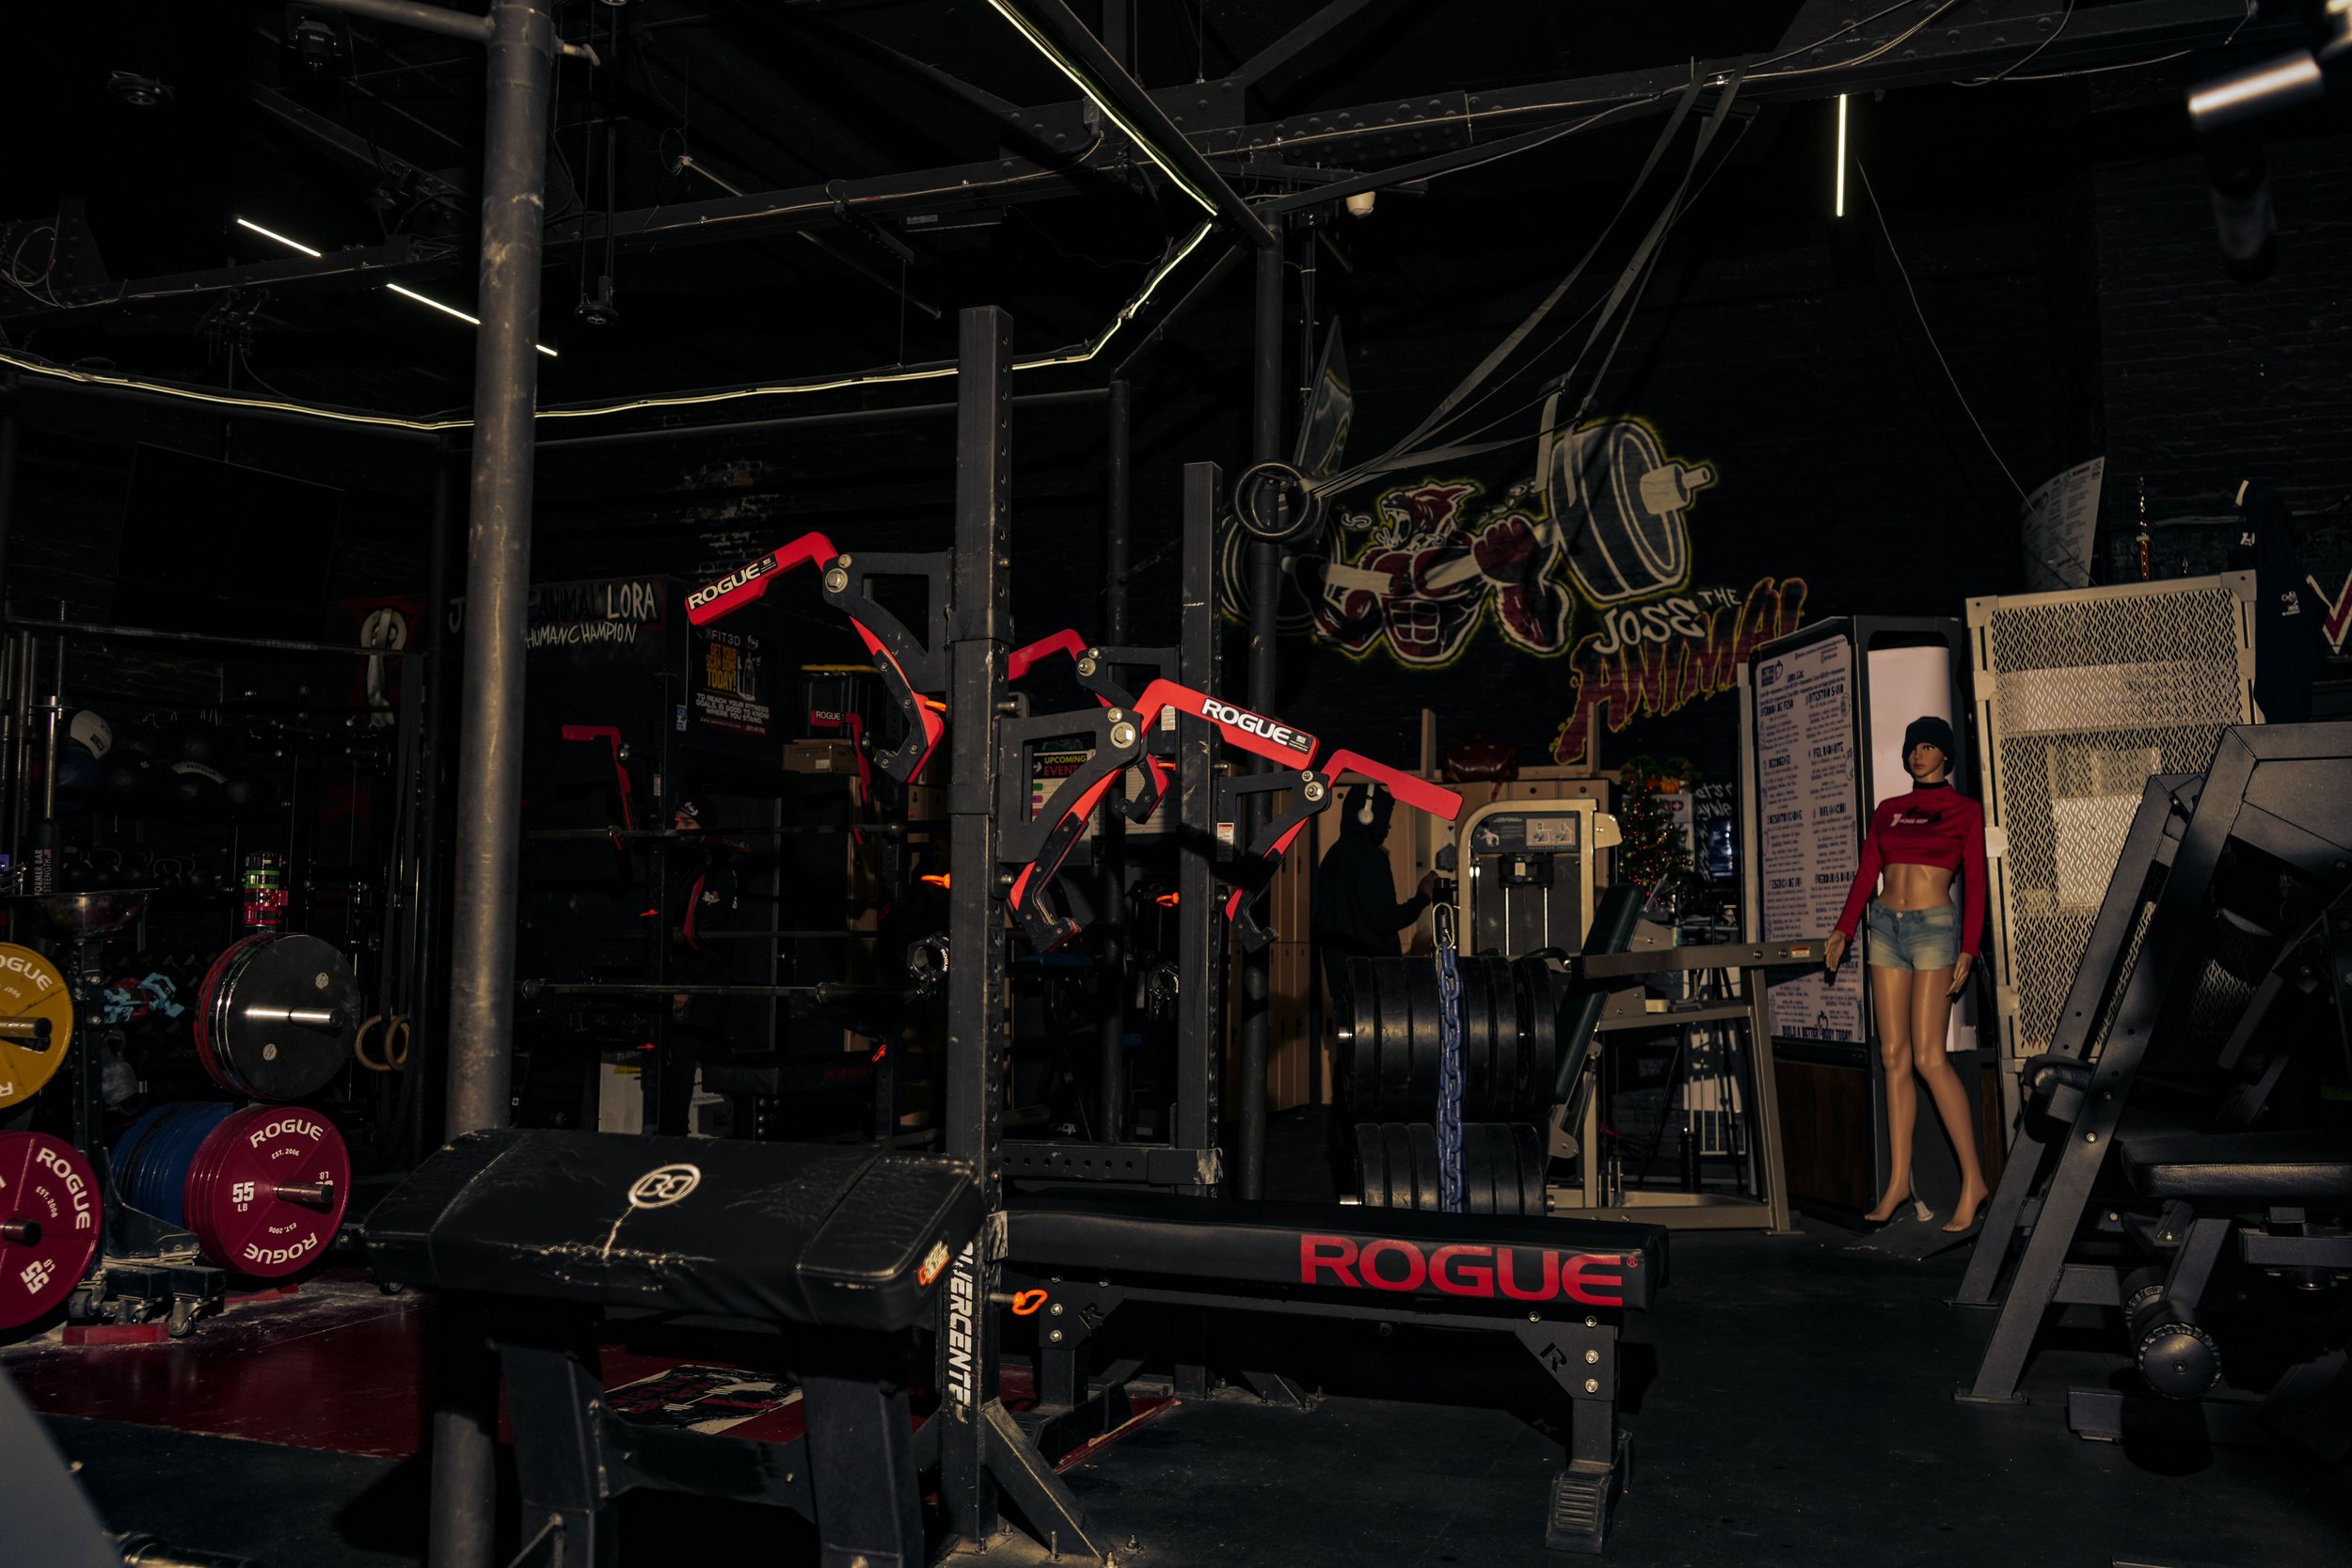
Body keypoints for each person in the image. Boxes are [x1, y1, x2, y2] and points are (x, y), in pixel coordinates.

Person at [1823, 716, 1992, 1233]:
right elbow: (1867, 870)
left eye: (1928, 746)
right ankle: (1898, 1182)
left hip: (1934, 928)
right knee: (1892, 1057)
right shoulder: (1889, 811)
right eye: (1912, 747)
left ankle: (1974, 1182)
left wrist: (1969, 946)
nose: (1918, 755)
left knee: (1928, 1056)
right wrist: (1844, 929)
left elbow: (1978, 881)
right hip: (1885, 927)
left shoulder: (1964, 810)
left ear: (1944, 754)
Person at [1316, 782, 1440, 1021]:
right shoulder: (1370, 858)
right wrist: (1423, 897)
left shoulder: (1333, 856)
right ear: (1367, 815)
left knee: (1353, 1053)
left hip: (1344, 980)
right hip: (1375, 980)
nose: (1389, 826)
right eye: (1385, 817)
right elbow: (1384, 920)